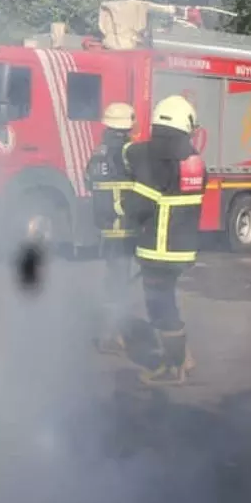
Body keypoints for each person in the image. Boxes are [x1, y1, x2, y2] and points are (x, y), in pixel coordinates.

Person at [122, 95, 206, 386]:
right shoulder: (193, 159)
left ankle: (175, 368)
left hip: (158, 248)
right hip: (182, 247)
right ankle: (184, 358)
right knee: (166, 301)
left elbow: (141, 207)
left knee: (160, 307)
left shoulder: (156, 161)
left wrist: (123, 211)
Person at [84, 102, 138, 356]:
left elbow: (88, 181)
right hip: (124, 228)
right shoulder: (128, 152)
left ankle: (113, 332)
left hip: (105, 228)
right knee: (119, 283)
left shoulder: (99, 152)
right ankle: (111, 335)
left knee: (113, 280)